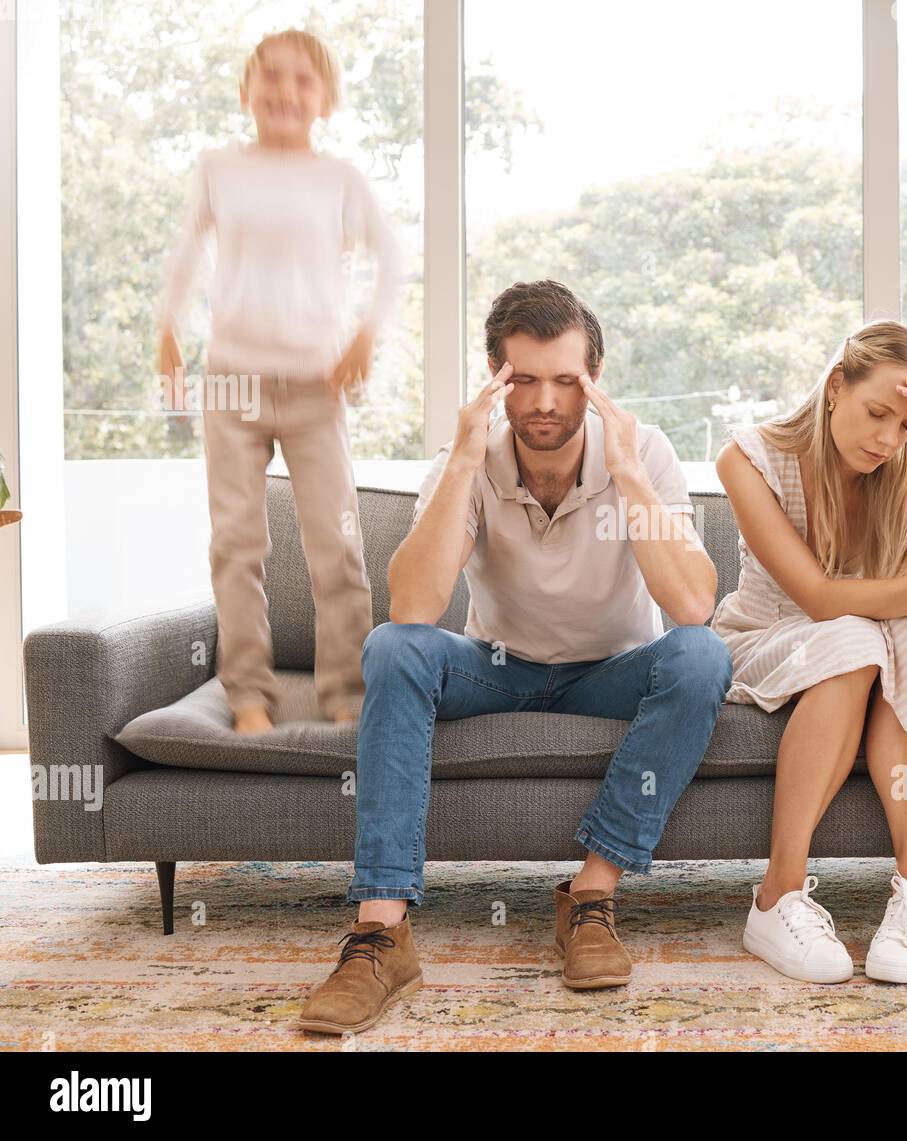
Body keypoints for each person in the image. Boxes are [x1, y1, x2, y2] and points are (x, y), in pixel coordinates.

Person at [295, 280, 733, 1034]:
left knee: (701, 657)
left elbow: (693, 605)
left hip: (610, 673)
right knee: (393, 646)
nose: (545, 402)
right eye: (524, 380)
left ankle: (591, 899)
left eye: (566, 381)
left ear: (594, 382)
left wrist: (627, 476)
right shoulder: (468, 458)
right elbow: (413, 608)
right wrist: (465, 463)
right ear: (496, 379)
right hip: (496, 668)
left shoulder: (645, 451)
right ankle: (380, 932)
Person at [713, 319, 907, 985]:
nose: (888, 438)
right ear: (833, 388)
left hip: (873, 631)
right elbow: (819, 597)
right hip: (769, 632)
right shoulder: (750, 457)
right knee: (850, 634)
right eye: (877, 413)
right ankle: (777, 895)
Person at [156, 28, 403, 733]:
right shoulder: (218, 169)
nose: (285, 90)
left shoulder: (340, 180)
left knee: (338, 542)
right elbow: (184, 257)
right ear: (245, 89)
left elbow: (393, 260)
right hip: (231, 382)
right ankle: (248, 697)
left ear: (325, 98)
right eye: (270, 75)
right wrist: (166, 330)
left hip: (313, 388)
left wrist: (364, 334)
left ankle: (347, 695)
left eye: (303, 79)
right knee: (237, 544)